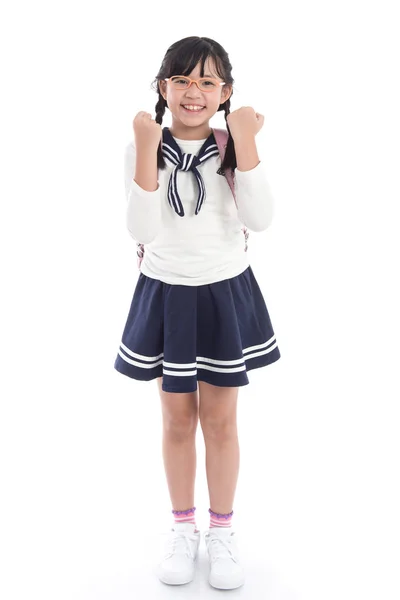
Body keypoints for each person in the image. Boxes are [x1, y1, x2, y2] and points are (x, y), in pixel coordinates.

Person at [114, 36, 281, 590]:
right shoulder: (147, 143)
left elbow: (259, 220)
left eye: (208, 81)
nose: (194, 92)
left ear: (226, 92)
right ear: (163, 87)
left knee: (221, 421)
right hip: (167, 294)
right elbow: (141, 230)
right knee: (177, 420)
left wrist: (247, 141)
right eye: (182, 80)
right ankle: (183, 530)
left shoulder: (233, 144)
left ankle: (223, 532)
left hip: (222, 294)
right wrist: (144, 148)